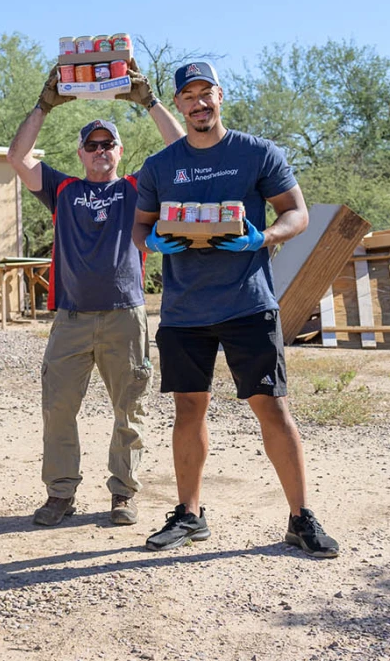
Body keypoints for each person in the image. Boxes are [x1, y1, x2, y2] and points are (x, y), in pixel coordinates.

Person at [131, 61, 339, 558]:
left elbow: (297, 213)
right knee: (188, 408)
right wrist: (156, 241)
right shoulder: (160, 166)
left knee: (272, 408)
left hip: (248, 304)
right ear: (178, 103)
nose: (199, 103)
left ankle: (299, 517)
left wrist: (263, 237)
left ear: (220, 97)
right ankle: (189, 514)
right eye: (189, 96)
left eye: (207, 94)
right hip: (183, 311)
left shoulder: (256, 153)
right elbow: (140, 227)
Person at [6, 65, 184, 527]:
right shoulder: (63, 189)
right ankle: (60, 494)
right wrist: (44, 105)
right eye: (93, 145)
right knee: (59, 407)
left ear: (120, 151)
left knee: (131, 408)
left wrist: (149, 102)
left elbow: (181, 149)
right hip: (71, 317)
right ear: (81, 153)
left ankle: (123, 493)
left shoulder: (134, 188)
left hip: (126, 315)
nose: (101, 151)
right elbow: (17, 157)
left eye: (108, 144)